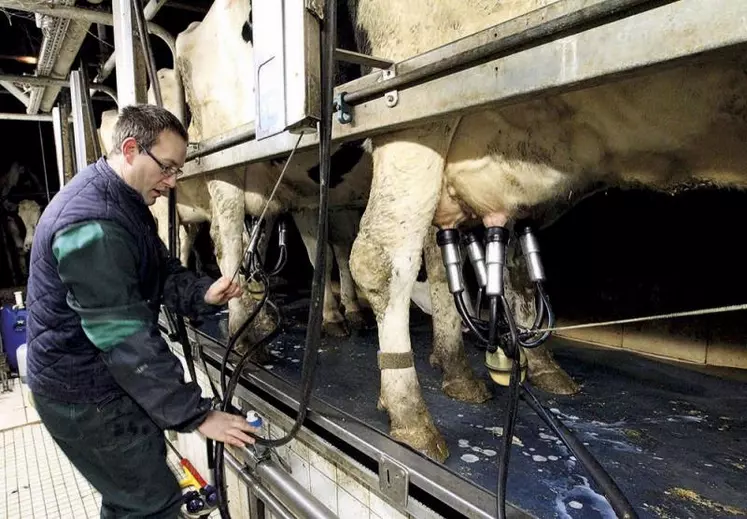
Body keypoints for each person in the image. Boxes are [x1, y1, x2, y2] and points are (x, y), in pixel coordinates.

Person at [25, 104, 257, 518]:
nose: (171, 182)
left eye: (177, 171)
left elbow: (158, 268)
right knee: (150, 505)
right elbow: (123, 336)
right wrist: (196, 415)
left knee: (135, 499)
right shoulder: (93, 224)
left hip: (97, 382)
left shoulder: (120, 202)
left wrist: (202, 293)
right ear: (130, 149)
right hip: (84, 394)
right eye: (167, 168)